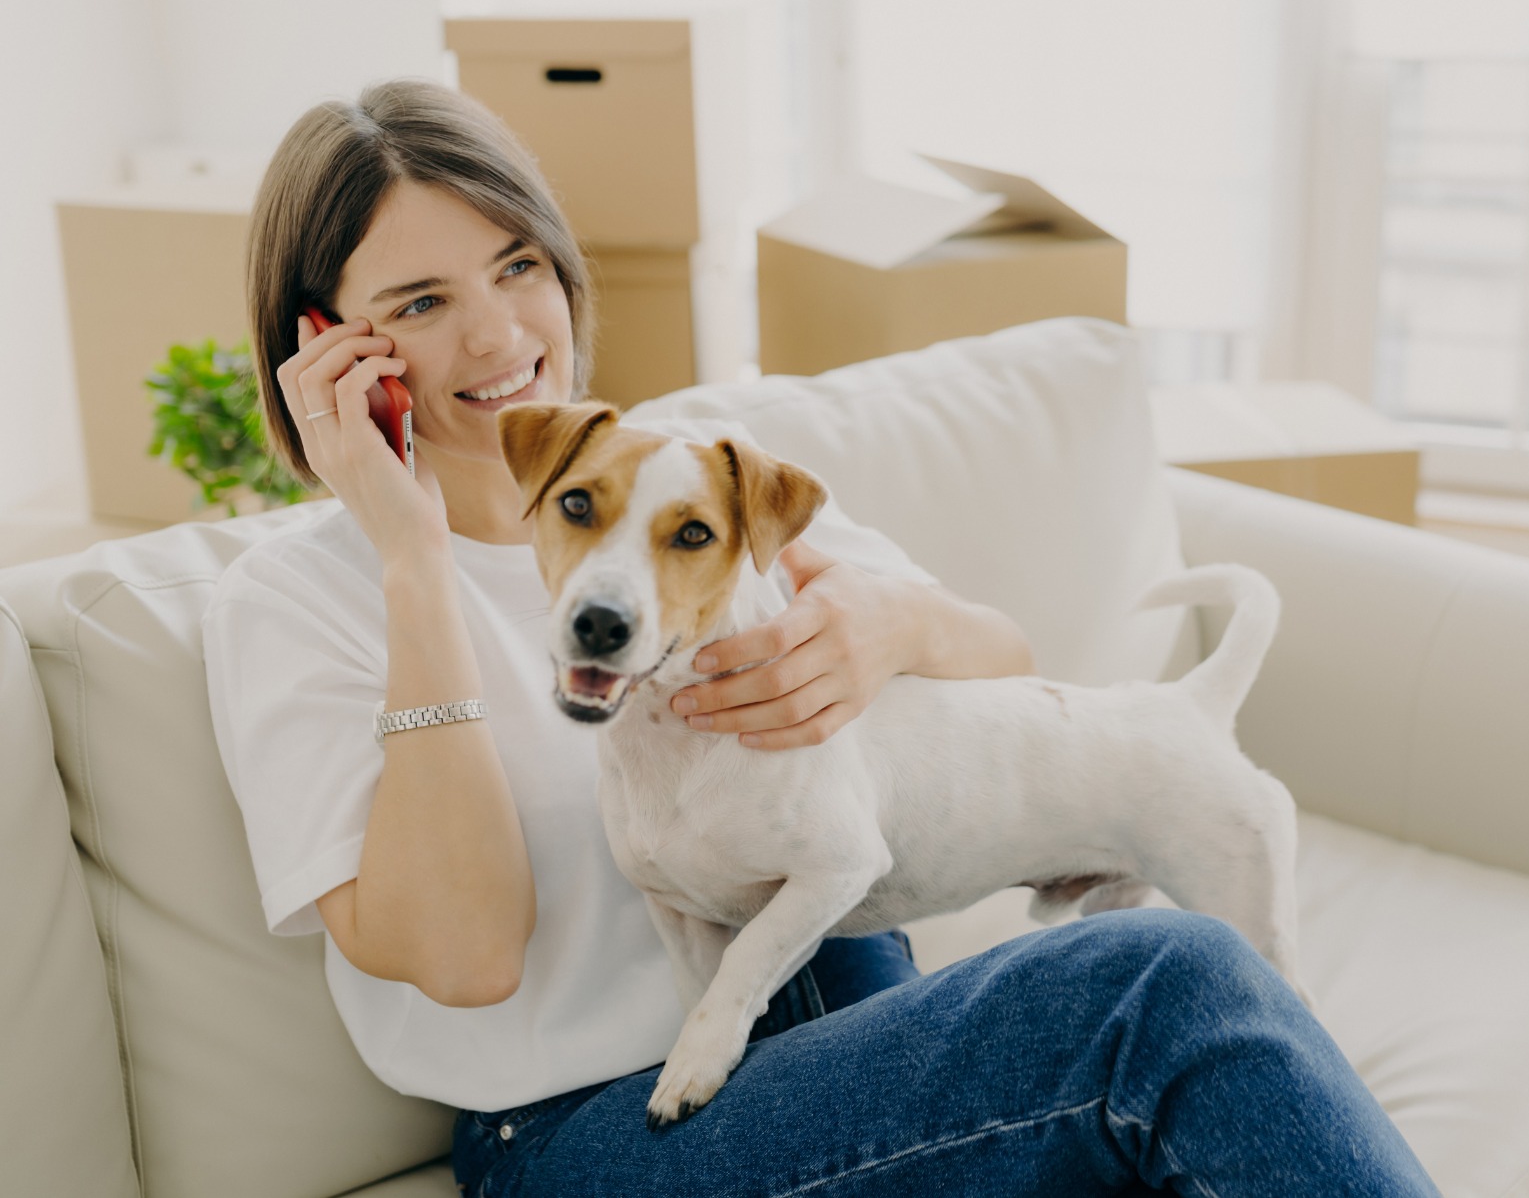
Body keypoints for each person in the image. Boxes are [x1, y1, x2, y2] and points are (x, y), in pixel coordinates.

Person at [201, 78, 1440, 1197]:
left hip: (857, 1044)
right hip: (595, 1134)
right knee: (1167, 982)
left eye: (518, 266)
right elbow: (467, 957)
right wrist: (412, 561)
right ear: (328, 346)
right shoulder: (292, 602)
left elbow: (1002, 671)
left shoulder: (694, 489)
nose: (496, 336)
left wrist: (889, 625)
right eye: (421, 302)